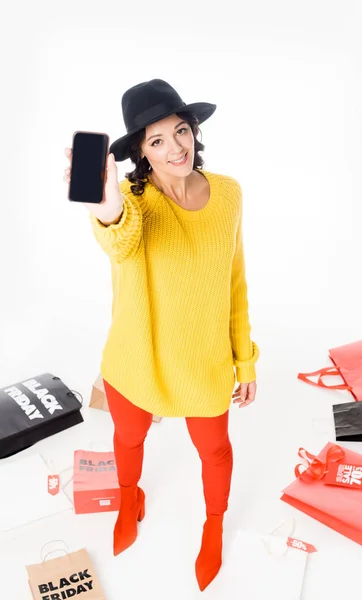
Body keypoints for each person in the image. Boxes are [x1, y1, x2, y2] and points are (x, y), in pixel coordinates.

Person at [63, 78, 260, 591]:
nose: (176, 147)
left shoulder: (229, 194)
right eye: (156, 140)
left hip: (202, 362)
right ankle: (130, 495)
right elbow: (120, 237)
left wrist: (245, 362)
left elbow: (234, 283)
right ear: (141, 154)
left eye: (181, 130)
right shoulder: (135, 203)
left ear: (194, 130)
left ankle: (213, 525)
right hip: (138, 357)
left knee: (214, 451)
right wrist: (102, 202)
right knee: (128, 437)